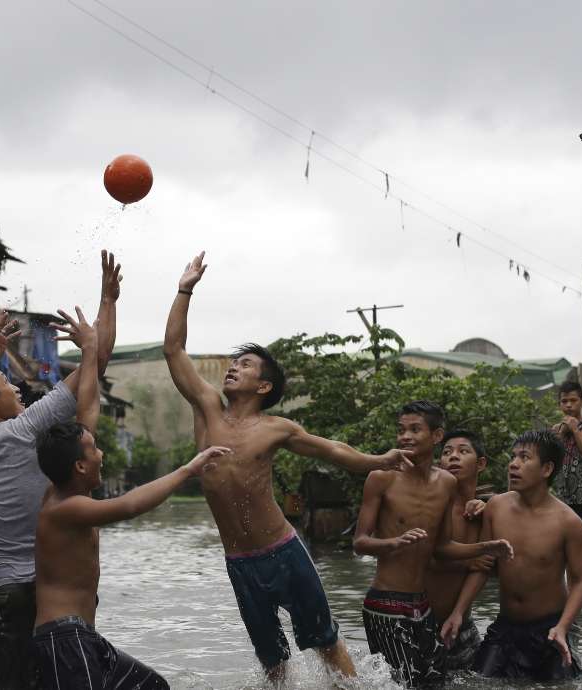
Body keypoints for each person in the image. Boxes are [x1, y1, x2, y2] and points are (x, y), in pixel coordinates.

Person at [164, 252, 410, 681]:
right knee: (272, 661)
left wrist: (378, 460)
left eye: (244, 365)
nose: (232, 368)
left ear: (264, 385)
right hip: (239, 560)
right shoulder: (207, 410)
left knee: (327, 643)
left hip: (282, 551)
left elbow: (332, 449)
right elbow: (173, 349)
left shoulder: (276, 428)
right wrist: (185, 289)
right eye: (233, 363)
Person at [0, 251, 121, 690]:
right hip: (52, 589)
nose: (17, 389)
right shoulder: (26, 430)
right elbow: (93, 366)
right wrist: (108, 299)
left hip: (4, 593)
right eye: (7, 384)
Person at [31, 329, 232, 688]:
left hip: (84, 636)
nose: (102, 453)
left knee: (152, 686)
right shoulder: (65, 508)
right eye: (95, 450)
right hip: (63, 638)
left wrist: (91, 350)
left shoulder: (70, 489)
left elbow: (88, 408)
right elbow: (130, 505)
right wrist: (188, 468)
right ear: (80, 465)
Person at [354, 406, 512, 687]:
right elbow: (360, 543)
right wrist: (394, 542)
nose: (405, 436)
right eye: (401, 430)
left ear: (436, 435)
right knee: (408, 684)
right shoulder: (381, 477)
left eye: (415, 429)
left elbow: (442, 547)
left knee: (437, 683)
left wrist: (486, 547)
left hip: (422, 608)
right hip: (386, 604)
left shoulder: (447, 484)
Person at [440, 430, 582, 682]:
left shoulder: (568, 522)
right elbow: (485, 565)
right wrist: (458, 612)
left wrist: (563, 626)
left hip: (551, 626)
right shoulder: (496, 508)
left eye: (524, 457)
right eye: (512, 457)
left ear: (546, 469)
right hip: (506, 626)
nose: (513, 464)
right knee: (479, 682)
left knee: (563, 684)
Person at [423, 429, 494, 672]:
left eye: (463, 451)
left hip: (461, 623)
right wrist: (466, 562)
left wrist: (458, 613)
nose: (453, 457)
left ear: (481, 463)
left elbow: (483, 565)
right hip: (419, 622)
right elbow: (416, 559)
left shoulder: (484, 513)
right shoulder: (430, 507)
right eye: (446, 452)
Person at [551, 381, 582, 528]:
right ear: (559, 404)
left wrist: (575, 430)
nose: (568, 405)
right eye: (564, 401)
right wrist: (560, 434)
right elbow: (551, 460)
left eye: (573, 400)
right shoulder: (556, 428)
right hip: (561, 496)